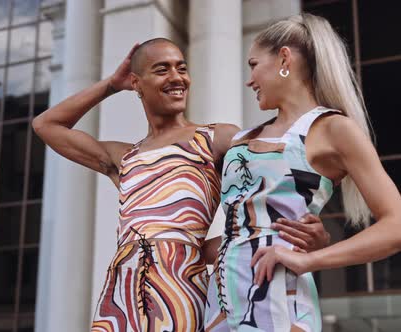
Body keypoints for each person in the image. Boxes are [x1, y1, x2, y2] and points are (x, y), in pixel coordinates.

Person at [32, 38, 329, 332]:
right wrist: (111, 84)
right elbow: (46, 125)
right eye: (162, 69)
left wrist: (306, 239)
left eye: (181, 68)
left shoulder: (217, 139)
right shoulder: (125, 156)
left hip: (182, 284)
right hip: (122, 292)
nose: (177, 77)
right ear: (136, 83)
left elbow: (277, 183)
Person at [205, 13, 401, 332]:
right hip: (221, 301)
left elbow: (396, 226)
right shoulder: (242, 137)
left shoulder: (333, 129)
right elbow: (241, 232)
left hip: (279, 298)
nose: (249, 80)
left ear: (284, 58)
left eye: (254, 65)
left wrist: (310, 259)